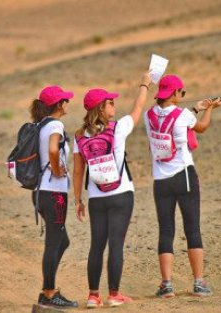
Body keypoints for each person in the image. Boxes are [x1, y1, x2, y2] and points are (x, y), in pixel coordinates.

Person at [73, 73, 152, 308]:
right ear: (101, 107)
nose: (114, 105)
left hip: (96, 197)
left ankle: (93, 295)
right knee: (116, 243)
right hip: (121, 194)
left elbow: (78, 172)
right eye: (110, 102)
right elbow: (138, 107)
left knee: (97, 244)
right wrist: (145, 84)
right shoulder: (118, 128)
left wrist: (78, 200)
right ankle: (114, 294)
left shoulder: (79, 135)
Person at [145, 74, 221, 299]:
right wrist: (209, 109)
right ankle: (199, 283)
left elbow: (169, 116)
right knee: (192, 228)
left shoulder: (148, 115)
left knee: (166, 230)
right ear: (174, 94)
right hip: (184, 176)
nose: (183, 95)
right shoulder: (183, 116)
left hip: (160, 180)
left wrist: (194, 107)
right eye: (182, 92)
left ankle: (166, 284)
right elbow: (200, 128)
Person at [31, 85, 78, 309]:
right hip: (54, 193)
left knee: (62, 240)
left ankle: (48, 290)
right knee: (53, 242)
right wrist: (58, 171)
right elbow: (52, 150)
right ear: (59, 104)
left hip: (42, 193)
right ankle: (49, 294)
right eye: (65, 100)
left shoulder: (42, 125)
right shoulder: (56, 124)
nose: (68, 103)